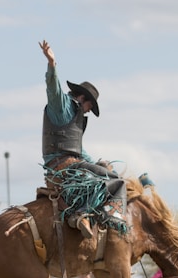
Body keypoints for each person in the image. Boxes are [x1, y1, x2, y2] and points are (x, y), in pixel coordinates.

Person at [39, 39, 127, 239]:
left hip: (69, 166)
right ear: (83, 99)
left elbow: (78, 151)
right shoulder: (62, 108)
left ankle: (80, 217)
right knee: (118, 182)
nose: (88, 111)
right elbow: (53, 90)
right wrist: (52, 65)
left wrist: (99, 164)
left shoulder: (73, 118)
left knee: (103, 174)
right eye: (90, 107)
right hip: (66, 168)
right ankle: (111, 216)